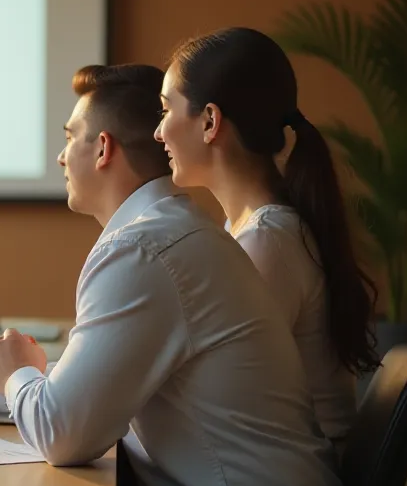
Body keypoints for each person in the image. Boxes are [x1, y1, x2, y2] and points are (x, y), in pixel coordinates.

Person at [0, 64, 346, 486]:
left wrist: (15, 375)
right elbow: (96, 394)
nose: (62, 157)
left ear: (103, 149)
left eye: (70, 138)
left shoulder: (142, 250)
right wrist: (8, 380)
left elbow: (63, 435)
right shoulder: (173, 231)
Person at [154, 26, 379, 442]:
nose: (159, 132)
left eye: (167, 110)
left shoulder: (266, 241)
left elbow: (213, 384)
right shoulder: (255, 230)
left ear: (209, 121)